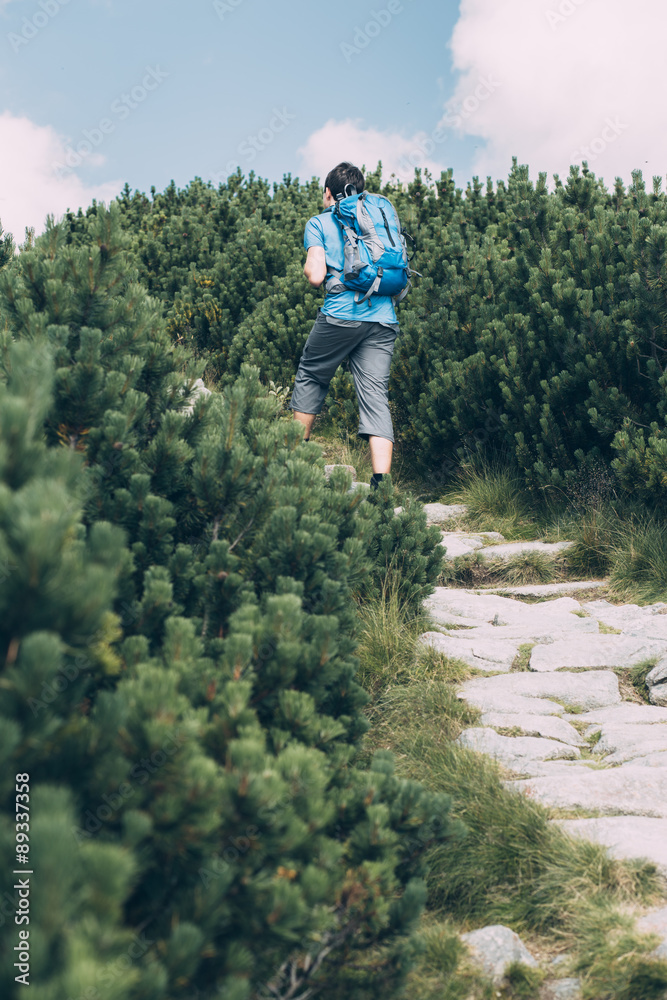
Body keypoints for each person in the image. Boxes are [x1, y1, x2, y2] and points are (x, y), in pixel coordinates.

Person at [289, 161, 400, 491]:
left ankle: (298, 465)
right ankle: (382, 486)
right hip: (383, 318)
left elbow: (316, 276)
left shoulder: (319, 223)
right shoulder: (379, 219)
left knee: (311, 374)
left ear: (327, 193)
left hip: (341, 315)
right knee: (375, 396)